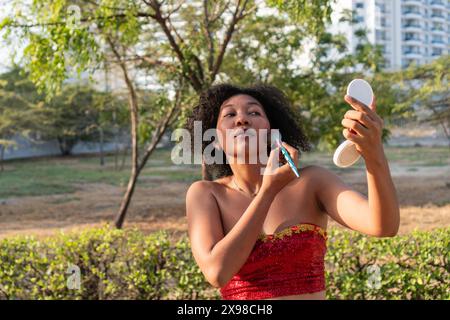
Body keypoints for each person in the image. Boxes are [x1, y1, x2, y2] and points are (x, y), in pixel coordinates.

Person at [184, 83, 400, 300]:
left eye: (254, 112)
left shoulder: (313, 181)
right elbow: (217, 273)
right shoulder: (205, 193)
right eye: (230, 114)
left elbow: (384, 225)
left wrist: (373, 153)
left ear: (272, 132)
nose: (242, 119)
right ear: (215, 140)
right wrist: (267, 193)